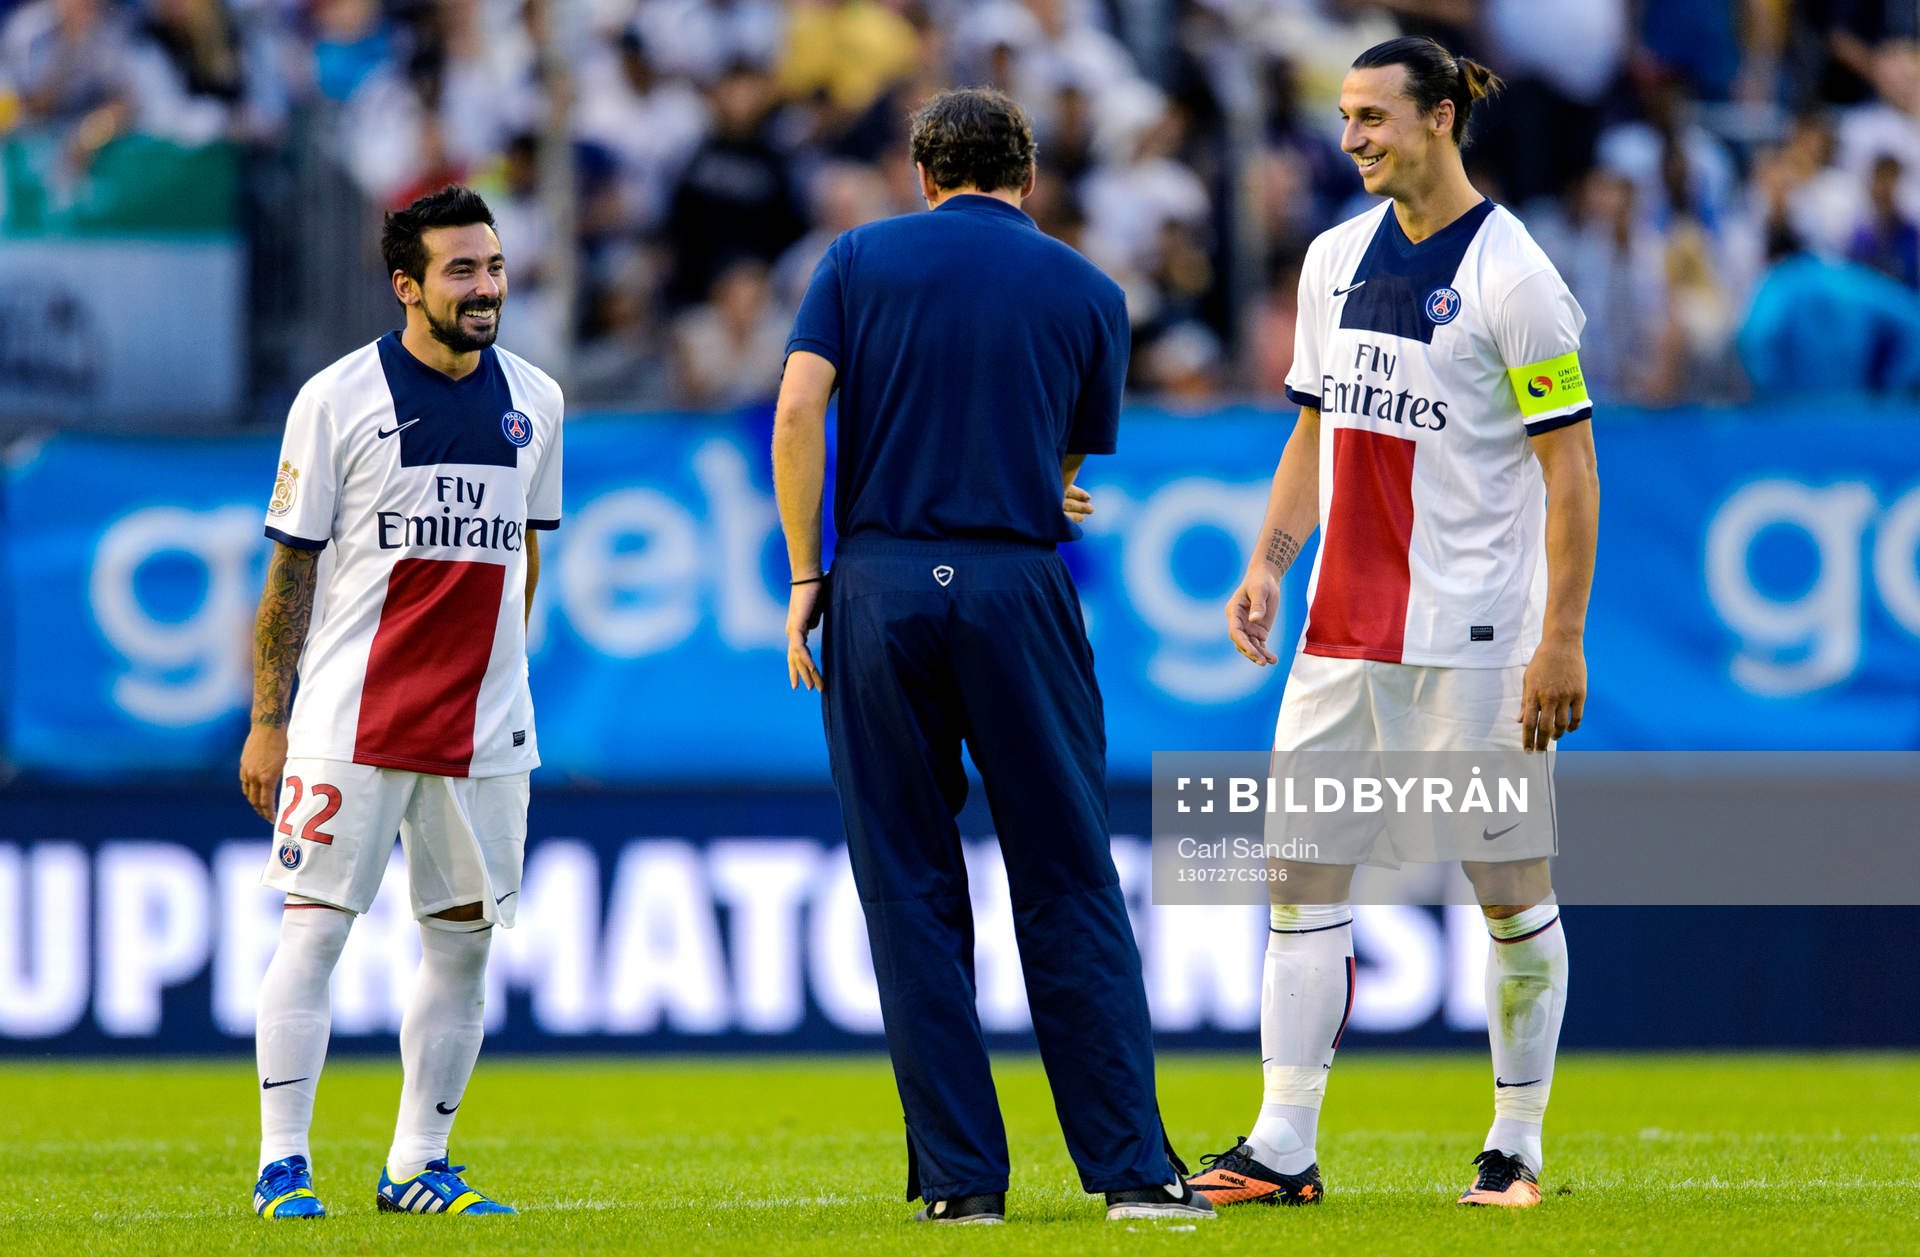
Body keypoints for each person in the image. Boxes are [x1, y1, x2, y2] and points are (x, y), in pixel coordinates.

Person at [771, 87, 1213, 1226]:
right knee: (1069, 874)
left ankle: (962, 1184)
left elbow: (798, 410)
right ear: (1029, 176)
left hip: (880, 584)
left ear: (924, 174)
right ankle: (1133, 1173)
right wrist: (1031, 486)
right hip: (1017, 586)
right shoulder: (1091, 289)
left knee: (908, 886)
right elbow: (1064, 469)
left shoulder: (856, 260)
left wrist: (808, 576)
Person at [1187, 38, 1599, 1211]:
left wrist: (1561, 636)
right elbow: (1315, 429)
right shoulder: (1331, 259)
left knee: (1507, 890)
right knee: (1299, 883)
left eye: (1373, 116)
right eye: (1345, 115)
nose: (1351, 137)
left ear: (1438, 119)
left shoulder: (1516, 278)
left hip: (1472, 642)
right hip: (1339, 636)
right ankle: (1282, 1146)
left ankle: (1514, 1145)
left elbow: (1571, 470)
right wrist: (1270, 564)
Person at [237, 185, 563, 1219]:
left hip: (484, 729)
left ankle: (419, 1165)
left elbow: (526, 554)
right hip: (351, 719)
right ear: (407, 286)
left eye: (494, 266)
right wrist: (269, 719)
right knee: (314, 934)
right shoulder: (336, 398)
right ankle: (282, 1164)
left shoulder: (539, 400)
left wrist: (501, 668)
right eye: (461, 270)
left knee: (464, 944)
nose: (486, 287)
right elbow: (291, 572)